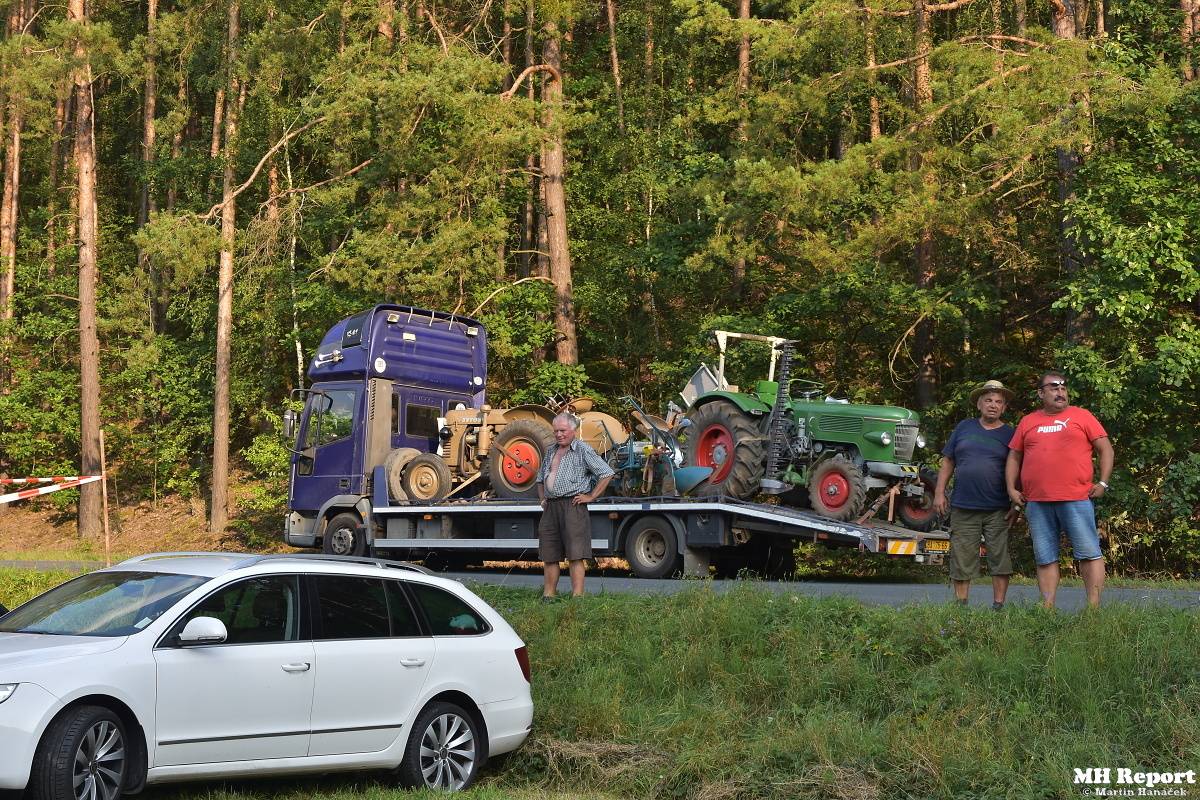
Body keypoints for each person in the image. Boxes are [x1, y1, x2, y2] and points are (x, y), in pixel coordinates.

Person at [1006, 371, 1113, 609]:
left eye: (1063, 387)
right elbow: (1014, 457)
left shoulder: (1081, 416)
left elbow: (1106, 449)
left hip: (1076, 498)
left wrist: (1103, 483)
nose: (1060, 391)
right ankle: (1048, 607)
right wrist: (1012, 489)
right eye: (1053, 387)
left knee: (1088, 552)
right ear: (1041, 393)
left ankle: (1093, 609)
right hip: (1037, 501)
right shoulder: (1028, 421)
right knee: (1045, 557)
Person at [933, 379, 1016, 610]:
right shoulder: (964, 427)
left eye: (998, 402)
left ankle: (998, 606)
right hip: (963, 506)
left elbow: (1018, 469)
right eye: (988, 400)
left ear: (1004, 408)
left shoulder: (1011, 434)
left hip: (997, 508)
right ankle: (961, 606)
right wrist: (939, 492)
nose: (993, 405)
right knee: (961, 556)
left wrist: (1016, 505)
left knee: (999, 558)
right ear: (979, 404)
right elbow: (948, 460)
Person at [536, 413, 614, 601]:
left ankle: (577, 596)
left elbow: (606, 472)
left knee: (575, 553)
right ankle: (549, 595)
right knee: (550, 553)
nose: (559, 434)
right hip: (551, 507)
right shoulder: (551, 451)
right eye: (556, 431)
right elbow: (540, 478)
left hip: (573, 505)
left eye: (563, 430)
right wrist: (542, 499)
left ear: (574, 430)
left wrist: (591, 496)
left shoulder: (582, 449)